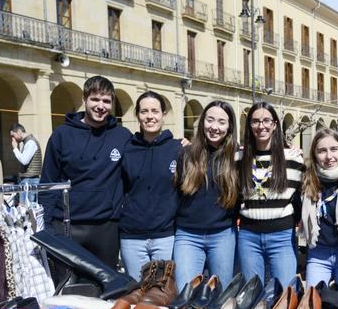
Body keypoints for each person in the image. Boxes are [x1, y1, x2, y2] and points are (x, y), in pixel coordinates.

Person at [40, 75, 132, 267]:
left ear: (112, 103)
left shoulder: (122, 136)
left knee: (105, 289)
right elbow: (48, 182)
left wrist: (181, 146)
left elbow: (145, 156)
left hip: (107, 227)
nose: (101, 106)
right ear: (84, 100)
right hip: (67, 226)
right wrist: (47, 226)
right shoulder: (61, 135)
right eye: (95, 99)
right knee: (69, 291)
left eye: (106, 101)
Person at [237, 101, 304, 287]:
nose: (261, 126)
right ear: (249, 125)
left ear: (275, 125)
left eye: (267, 120)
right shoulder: (239, 159)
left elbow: (310, 187)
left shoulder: (293, 158)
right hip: (248, 236)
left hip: (282, 236)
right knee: (251, 295)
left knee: (284, 293)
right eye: (255, 121)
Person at [173, 100, 239, 287]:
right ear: (202, 122)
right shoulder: (185, 154)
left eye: (221, 122)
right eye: (210, 120)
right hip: (187, 235)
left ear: (229, 127)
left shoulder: (237, 157)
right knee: (185, 293)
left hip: (223, 235)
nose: (215, 127)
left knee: (221, 295)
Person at [119, 92, 181, 282]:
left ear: (163, 114)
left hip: (165, 236)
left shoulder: (177, 149)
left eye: (155, 111)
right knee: (137, 292)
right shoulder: (127, 148)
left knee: (162, 293)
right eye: (144, 111)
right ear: (137, 115)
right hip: (132, 238)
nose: (150, 116)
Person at [301, 127, 338, 302]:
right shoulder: (307, 179)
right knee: (311, 304)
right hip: (319, 253)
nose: (328, 156)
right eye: (322, 151)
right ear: (314, 154)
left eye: (334, 149)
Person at [9, 123, 43, 204]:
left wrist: (15, 148)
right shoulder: (27, 142)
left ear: (19, 132)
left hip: (30, 179)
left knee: (27, 208)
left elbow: (24, 161)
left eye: (13, 136)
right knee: (25, 208)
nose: (13, 139)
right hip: (28, 179)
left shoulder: (30, 142)